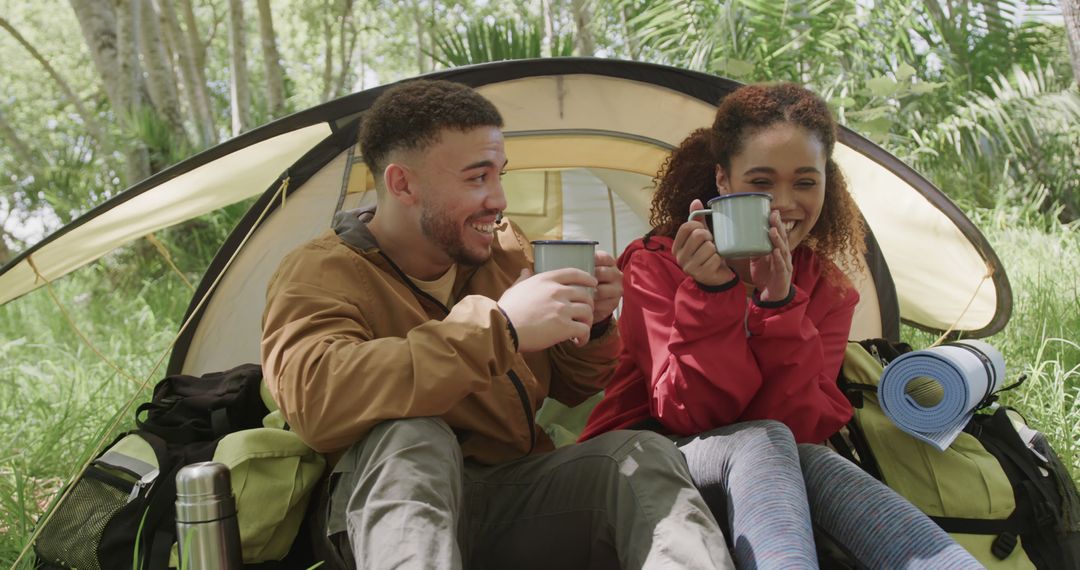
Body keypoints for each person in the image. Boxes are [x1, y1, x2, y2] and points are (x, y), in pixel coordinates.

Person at [261, 79, 735, 570]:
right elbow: (315, 401)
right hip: (383, 515)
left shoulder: (505, 251)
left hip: (509, 495)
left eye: (500, 175)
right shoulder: (319, 272)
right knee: (414, 437)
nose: (500, 199)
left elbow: (578, 387)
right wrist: (502, 325)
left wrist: (591, 327)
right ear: (403, 184)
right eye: (476, 178)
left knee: (639, 456)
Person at [580, 83, 981, 569]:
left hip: (771, 466)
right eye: (762, 181)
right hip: (647, 456)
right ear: (723, 182)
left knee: (803, 454)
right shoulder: (656, 265)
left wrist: (779, 303)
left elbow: (798, 427)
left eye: (805, 182)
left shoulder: (827, 290)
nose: (784, 204)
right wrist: (710, 294)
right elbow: (687, 415)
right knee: (767, 442)